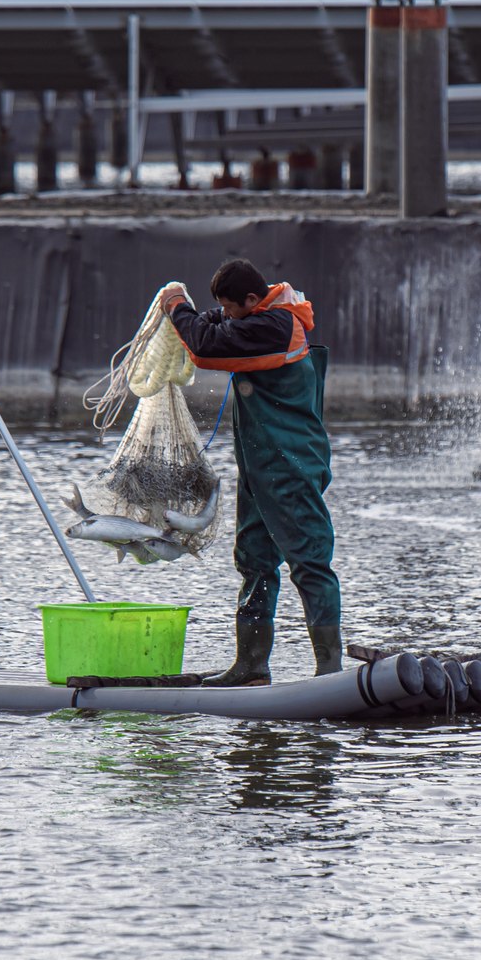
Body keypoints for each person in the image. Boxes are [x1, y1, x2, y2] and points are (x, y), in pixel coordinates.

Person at [161, 259, 340, 686]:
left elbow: (204, 347)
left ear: (253, 300)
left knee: (310, 562)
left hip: (292, 465)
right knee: (254, 561)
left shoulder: (274, 328)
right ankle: (252, 666)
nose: (227, 313)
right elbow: (216, 325)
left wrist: (175, 306)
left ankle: (330, 672)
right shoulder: (260, 314)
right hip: (261, 469)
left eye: (232, 306)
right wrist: (199, 313)